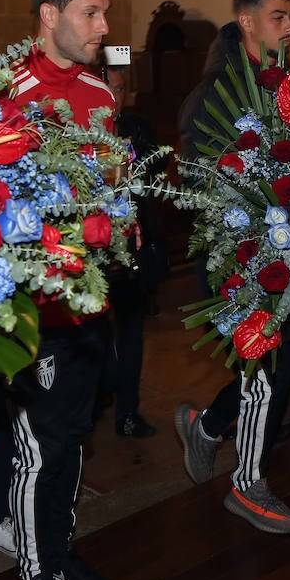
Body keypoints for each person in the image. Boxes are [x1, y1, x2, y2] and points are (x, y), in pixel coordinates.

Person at [7, 0, 118, 580]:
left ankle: (59, 546)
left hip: (91, 302)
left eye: (104, 11)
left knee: (75, 438)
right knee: (36, 449)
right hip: (33, 309)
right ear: (50, 16)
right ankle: (31, 575)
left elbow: (107, 191)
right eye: (91, 11)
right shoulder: (7, 92)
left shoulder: (102, 96)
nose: (104, 24)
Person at [173, 0, 290, 535]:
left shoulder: (283, 84)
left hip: (286, 250)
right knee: (270, 365)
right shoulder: (217, 93)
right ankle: (248, 485)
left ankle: (206, 426)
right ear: (247, 21)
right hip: (237, 258)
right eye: (280, 16)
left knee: (284, 364)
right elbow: (203, 182)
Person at [99, 50, 168, 438]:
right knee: (94, 335)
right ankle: (100, 395)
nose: (114, 97)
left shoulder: (136, 128)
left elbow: (154, 172)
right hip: (93, 249)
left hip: (134, 247)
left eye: (121, 89)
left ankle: (128, 411)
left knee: (132, 333)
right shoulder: (76, 130)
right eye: (108, 88)